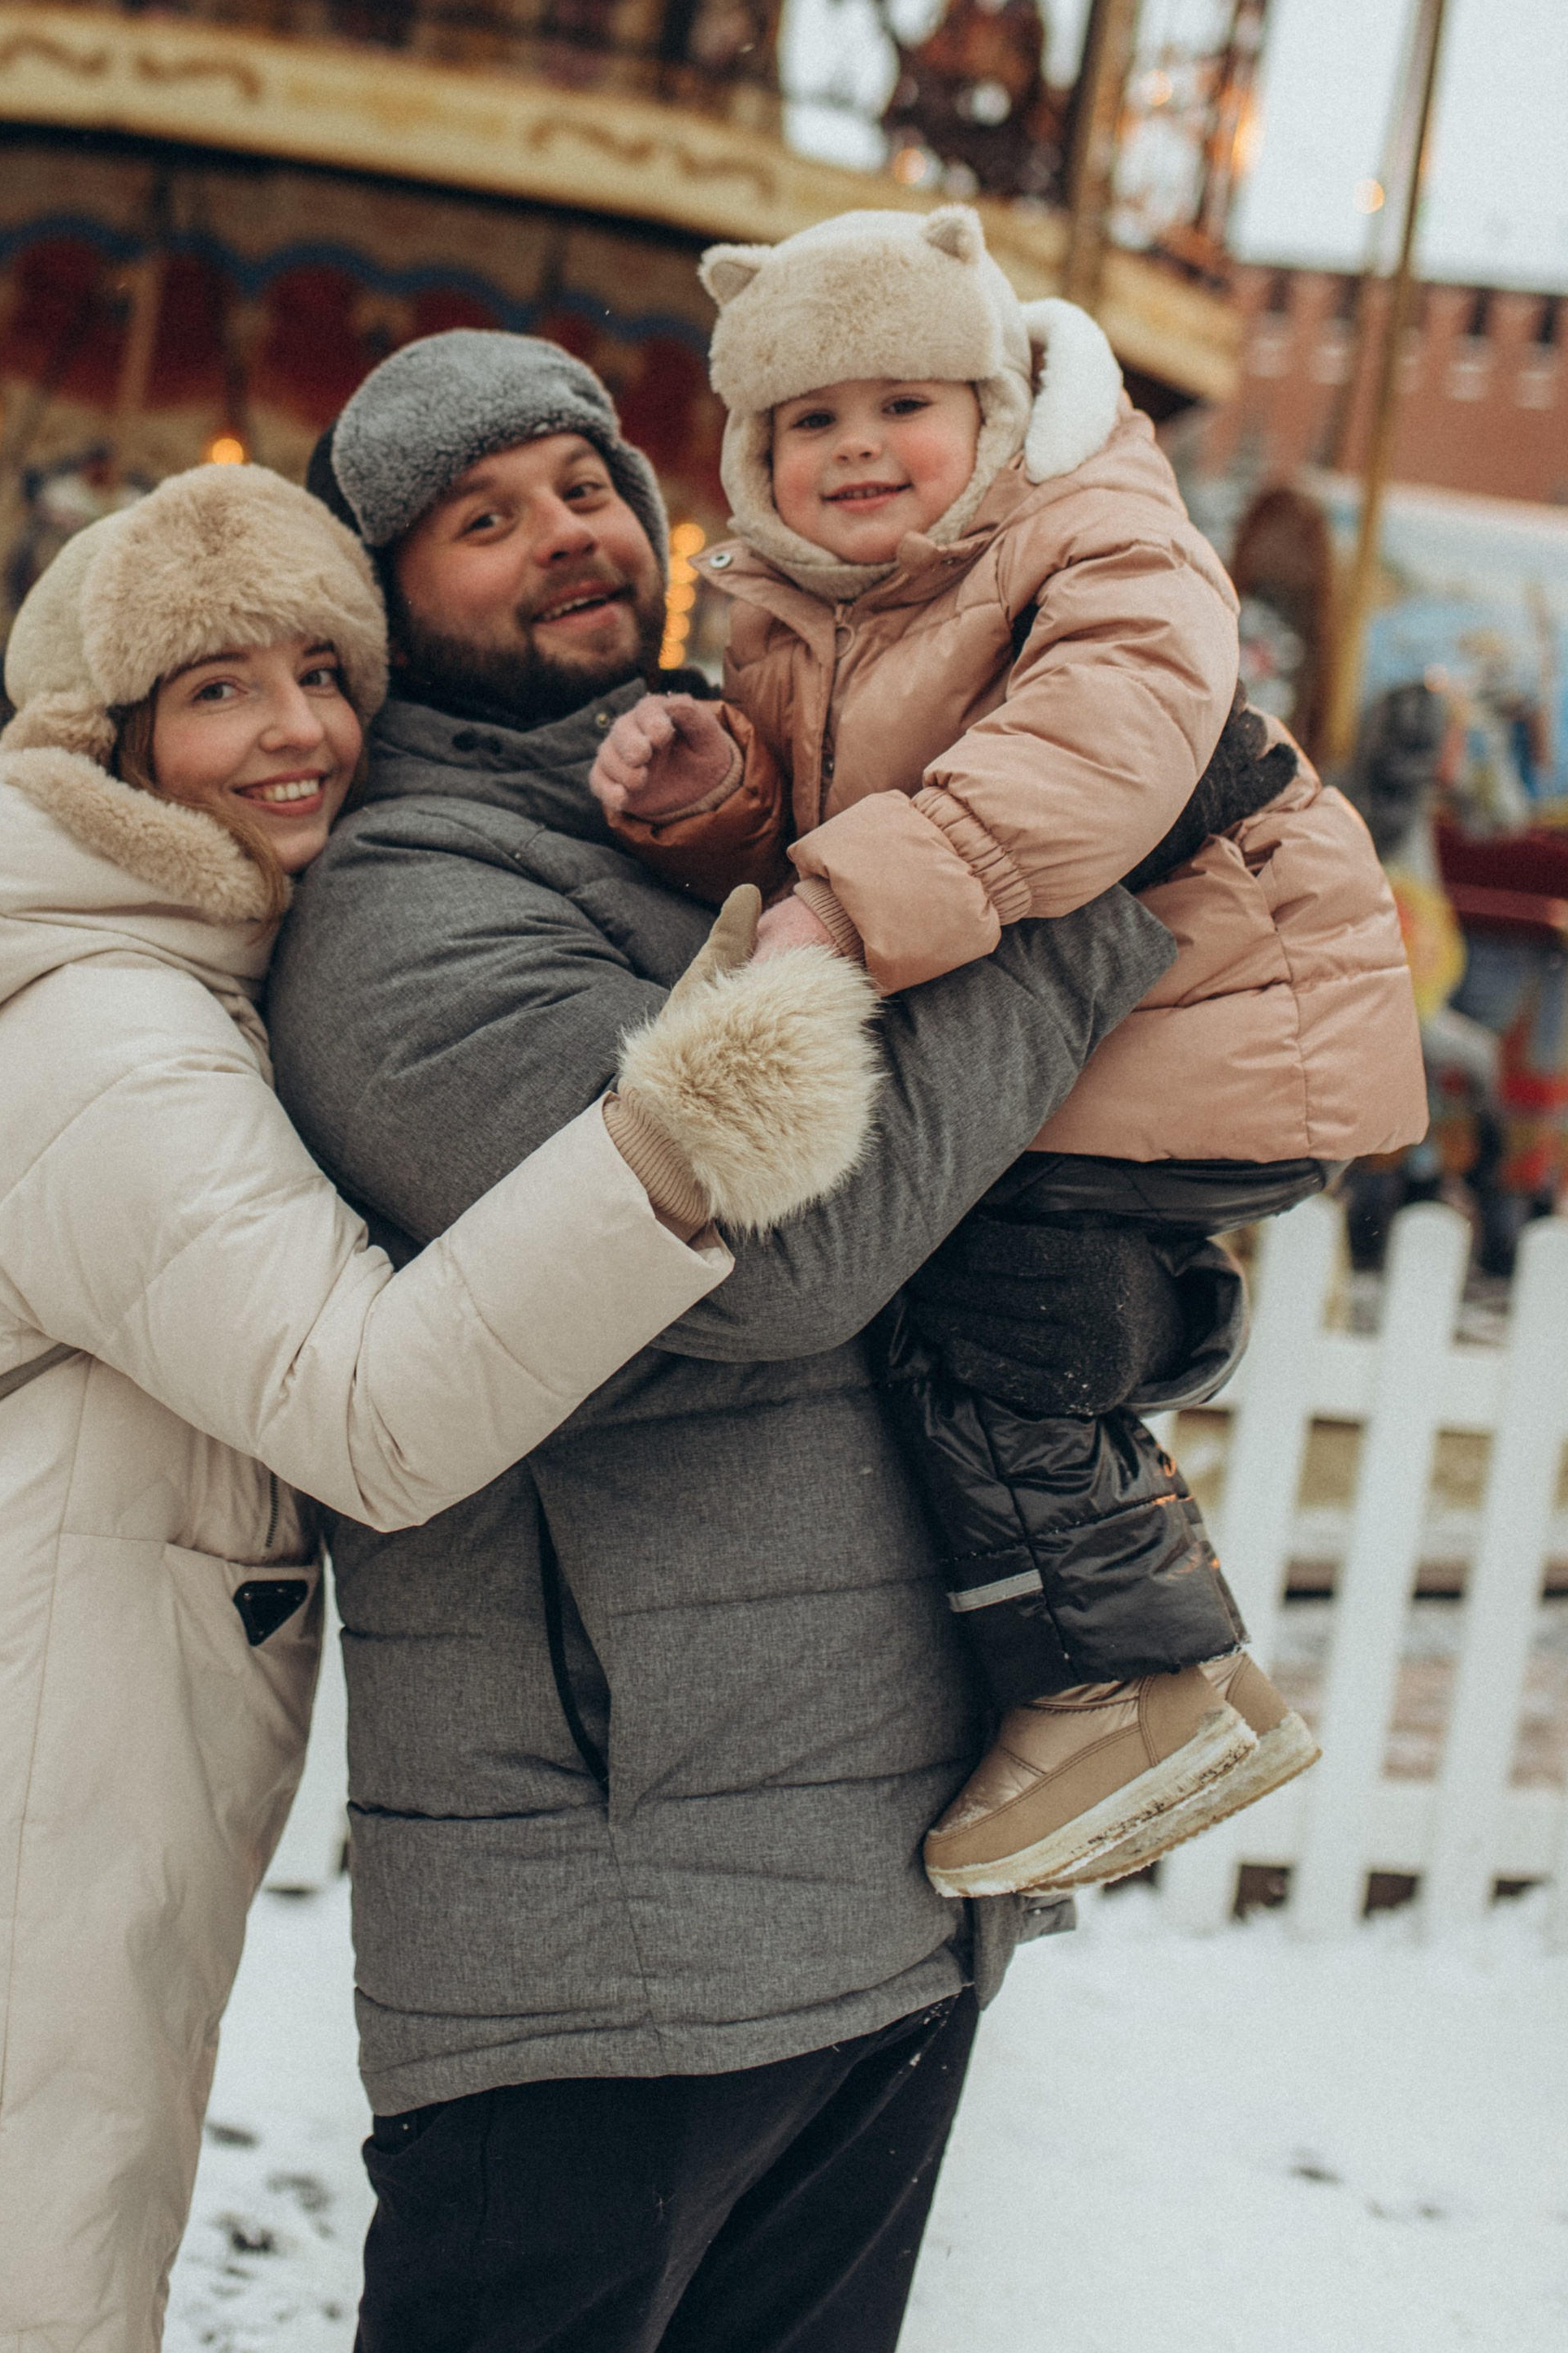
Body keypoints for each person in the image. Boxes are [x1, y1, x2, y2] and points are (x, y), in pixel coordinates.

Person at [0, 462, 879, 2353]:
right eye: (221, 691)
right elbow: (367, 1404)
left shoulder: (153, 983)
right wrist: (670, 1143)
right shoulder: (113, 1042)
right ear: (116, 738)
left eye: (323, 672)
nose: (299, 731)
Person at [270, 328, 1270, 2353]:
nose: (566, 533)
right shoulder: (409, 915)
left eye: (582, 481)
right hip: (611, 1916)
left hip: (892, 1871)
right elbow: (776, 1248)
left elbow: (978, 1199)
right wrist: (1096, 903)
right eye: (483, 517)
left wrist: (1153, 1312)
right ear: (383, 601)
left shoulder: (757, 810)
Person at [589, 205, 1426, 1898]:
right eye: (804, 423)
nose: (854, 451)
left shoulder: (1097, 537)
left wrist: (842, 904)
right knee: (966, 1292)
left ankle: (1126, 1683)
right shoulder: (798, 604)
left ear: (990, 403)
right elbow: (827, 804)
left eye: (899, 403)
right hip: (1099, 1029)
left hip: (1215, 999)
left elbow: (1090, 750)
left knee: (990, 1310)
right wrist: (715, 802)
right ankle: (1147, 1632)